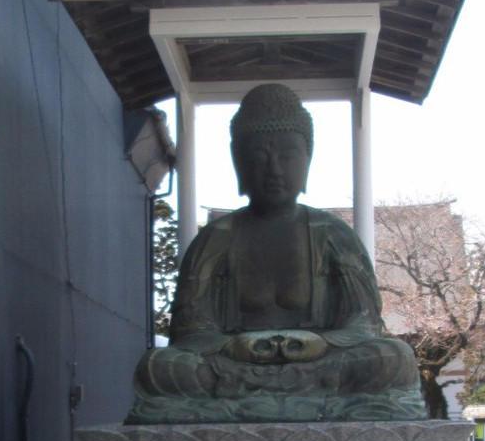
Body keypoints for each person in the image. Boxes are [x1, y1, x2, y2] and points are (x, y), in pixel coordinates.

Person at [127, 83, 425, 423]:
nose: (274, 170)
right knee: (161, 367)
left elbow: (365, 325)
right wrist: (230, 346)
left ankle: (240, 407)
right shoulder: (215, 239)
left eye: (287, 155)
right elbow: (190, 331)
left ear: (308, 159)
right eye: (259, 157)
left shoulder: (334, 234)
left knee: (393, 358)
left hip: (319, 362)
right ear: (239, 162)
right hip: (235, 363)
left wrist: (320, 343)